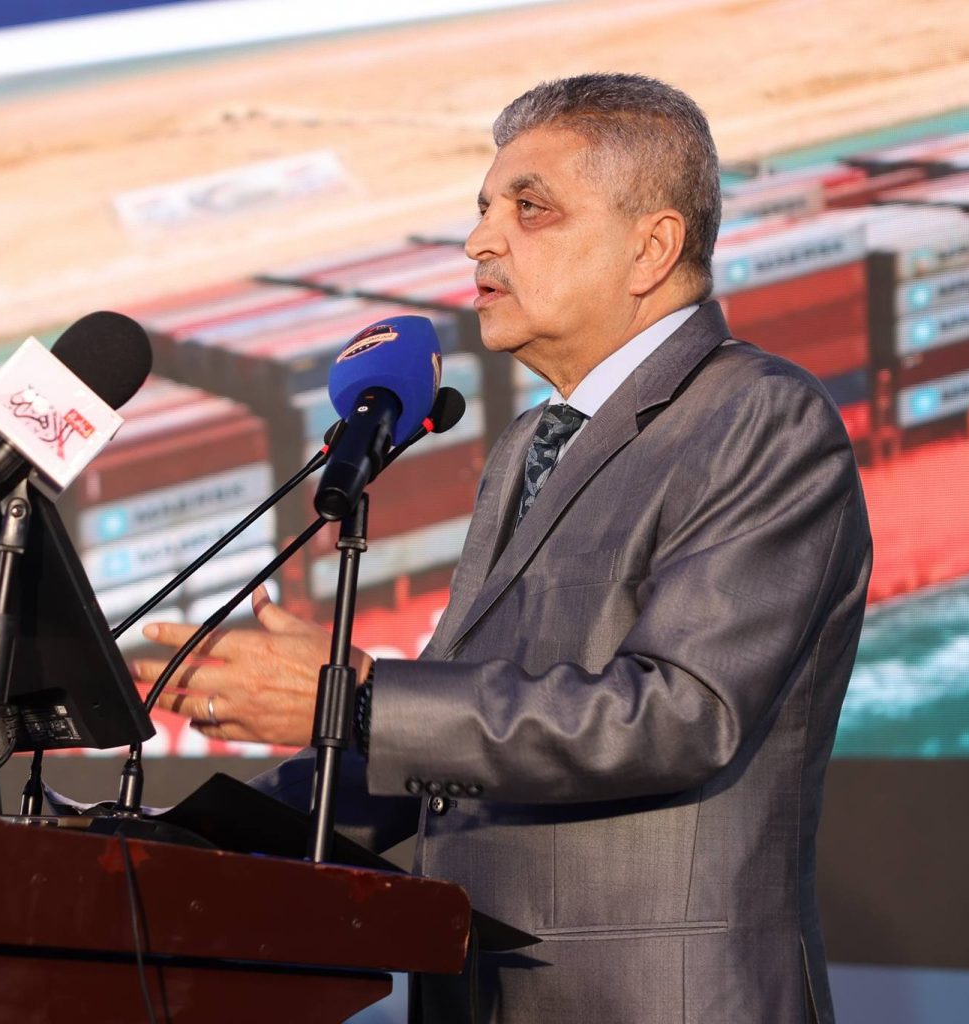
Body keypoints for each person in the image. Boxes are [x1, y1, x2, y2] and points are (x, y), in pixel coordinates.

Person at [136, 73, 871, 1023]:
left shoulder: (761, 418)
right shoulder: (530, 444)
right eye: (484, 209)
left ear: (651, 247)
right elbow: (442, 735)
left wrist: (357, 701)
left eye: (531, 209)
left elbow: (682, 714)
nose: (480, 241)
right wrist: (176, 842)